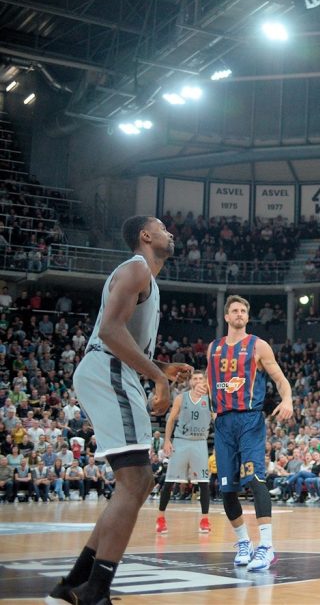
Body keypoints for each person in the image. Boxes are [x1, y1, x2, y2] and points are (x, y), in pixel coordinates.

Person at [48, 216, 192, 605]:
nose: (170, 233)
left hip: (114, 370)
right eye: (163, 228)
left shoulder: (147, 277)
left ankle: (73, 585)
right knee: (136, 481)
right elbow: (110, 333)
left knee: (137, 483)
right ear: (146, 236)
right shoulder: (136, 268)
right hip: (108, 370)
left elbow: (121, 339)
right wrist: (158, 381)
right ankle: (95, 592)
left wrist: (161, 368)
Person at [208, 295, 294, 571]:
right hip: (223, 423)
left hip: (250, 420)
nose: (239, 314)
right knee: (226, 489)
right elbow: (212, 383)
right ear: (226, 316)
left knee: (256, 479)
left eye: (243, 311)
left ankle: (266, 546)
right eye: (234, 310)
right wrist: (213, 411)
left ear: (247, 316)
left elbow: (280, 379)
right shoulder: (214, 348)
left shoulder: (258, 345)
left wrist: (288, 400)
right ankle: (244, 542)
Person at [157, 370, 214, 535]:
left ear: (204, 381)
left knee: (204, 482)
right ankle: (160, 518)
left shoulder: (210, 399)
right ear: (190, 382)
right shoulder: (181, 398)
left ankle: (204, 520)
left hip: (200, 443)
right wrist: (167, 440)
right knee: (169, 482)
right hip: (181, 442)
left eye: (200, 379)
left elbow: (217, 418)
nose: (197, 381)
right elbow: (171, 419)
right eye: (194, 379)